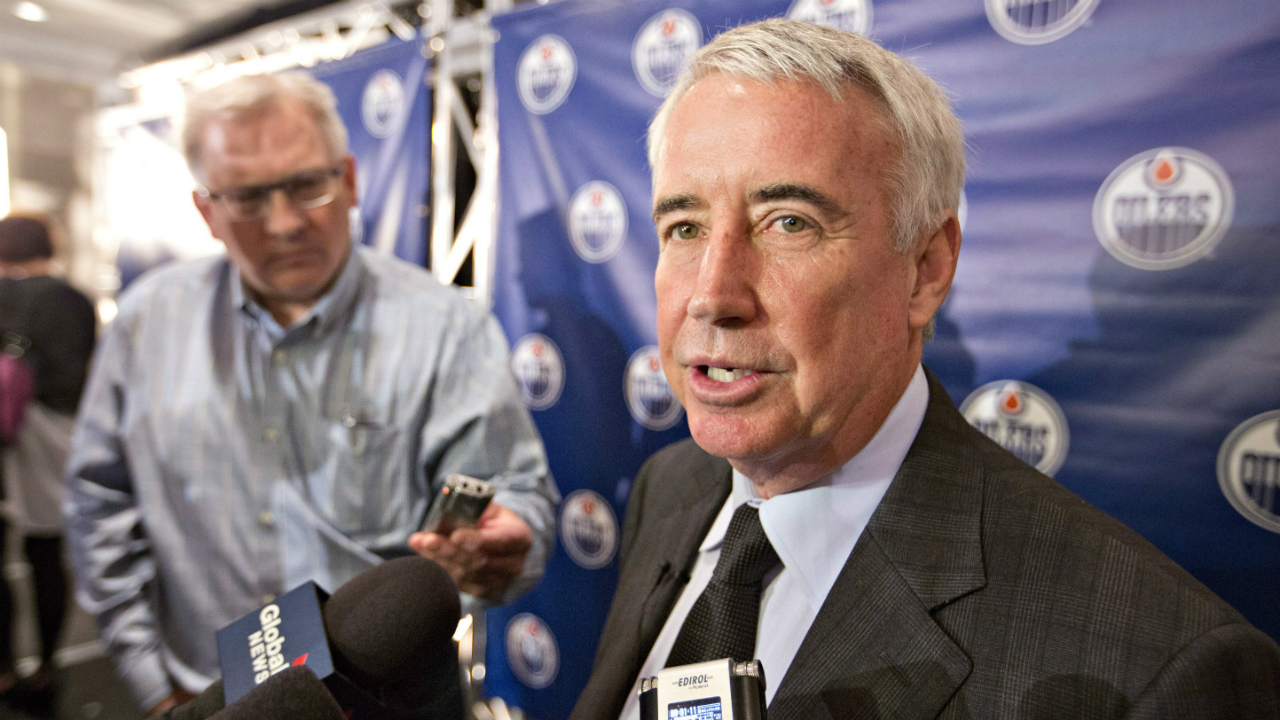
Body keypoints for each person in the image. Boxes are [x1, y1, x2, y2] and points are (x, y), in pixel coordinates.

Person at [573, 18, 1280, 720]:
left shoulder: (1161, 670)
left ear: (925, 269)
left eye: (789, 221)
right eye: (685, 228)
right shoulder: (670, 490)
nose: (712, 295)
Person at [64, 72, 558, 716]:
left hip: (389, 702)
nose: (285, 222)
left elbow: (510, 493)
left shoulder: (445, 327)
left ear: (350, 181)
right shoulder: (144, 323)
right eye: (246, 197)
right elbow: (99, 505)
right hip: (208, 698)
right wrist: (156, 687)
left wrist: (506, 538)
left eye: (307, 186)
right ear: (206, 213)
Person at [0, 215, 95, 715]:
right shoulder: (72, 299)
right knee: (46, 555)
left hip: (5, 440)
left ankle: (4, 668)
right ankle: (48, 665)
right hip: (50, 439)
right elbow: (83, 377)